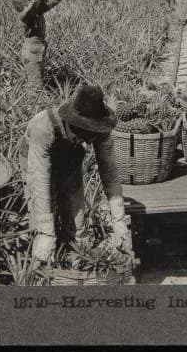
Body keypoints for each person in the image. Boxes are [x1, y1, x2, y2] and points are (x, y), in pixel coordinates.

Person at [23, 84, 130, 263]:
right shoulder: (43, 127)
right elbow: (39, 180)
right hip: (36, 164)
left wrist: (119, 220)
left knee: (76, 222)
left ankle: (75, 265)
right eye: (82, 134)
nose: (87, 142)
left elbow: (109, 171)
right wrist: (45, 232)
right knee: (40, 225)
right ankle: (42, 268)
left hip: (69, 164)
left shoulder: (100, 128)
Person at [18, 0, 61, 87]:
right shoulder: (25, 13)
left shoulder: (38, 11)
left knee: (38, 85)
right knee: (35, 89)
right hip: (32, 54)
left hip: (39, 52)